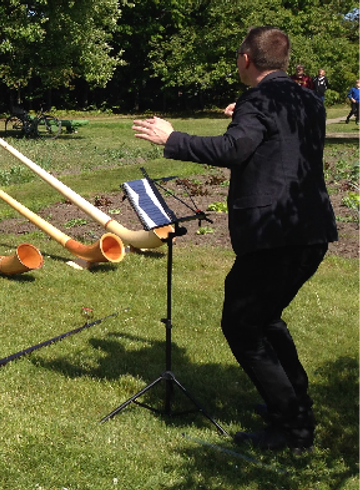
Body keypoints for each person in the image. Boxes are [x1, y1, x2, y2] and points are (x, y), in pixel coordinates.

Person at [133, 27, 338, 452]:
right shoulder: (308, 100)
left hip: (274, 233)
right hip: (310, 228)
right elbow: (276, 141)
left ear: (247, 59)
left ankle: (293, 428)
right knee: (265, 317)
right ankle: (295, 400)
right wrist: (244, 116)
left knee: (242, 323)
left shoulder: (258, 100)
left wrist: (171, 138)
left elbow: (233, 150)